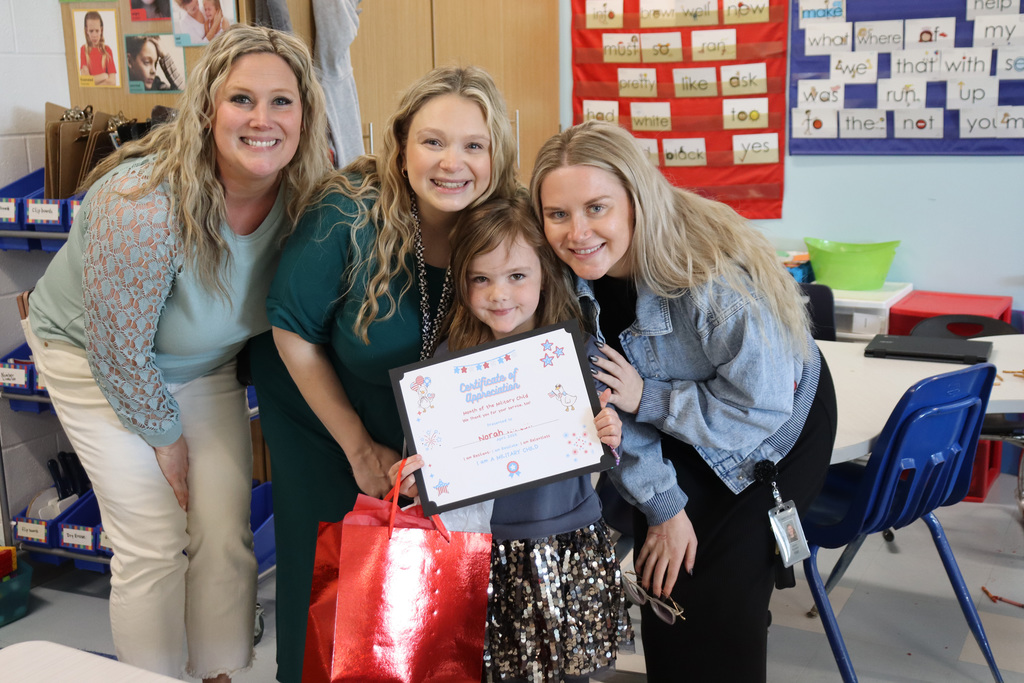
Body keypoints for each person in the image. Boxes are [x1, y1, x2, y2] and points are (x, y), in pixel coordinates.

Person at [21, 25, 332, 681]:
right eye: (241, 99)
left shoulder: (305, 198)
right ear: (208, 109)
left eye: (283, 102)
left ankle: (218, 673)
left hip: (202, 361)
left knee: (223, 530)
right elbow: (119, 350)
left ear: (306, 114)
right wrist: (166, 438)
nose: (262, 120)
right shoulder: (142, 202)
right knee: (156, 540)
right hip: (95, 359)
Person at [529, 120, 838, 683]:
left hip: (772, 426)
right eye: (558, 214)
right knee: (665, 578)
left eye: (597, 208)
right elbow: (611, 412)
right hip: (671, 411)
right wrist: (665, 508)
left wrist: (650, 397)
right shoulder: (560, 282)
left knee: (717, 593)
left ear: (636, 202)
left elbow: (756, 410)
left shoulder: (712, 283)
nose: (577, 232)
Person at [248, 65, 519, 682]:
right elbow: (293, 329)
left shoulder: (504, 221)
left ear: (496, 155)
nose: (453, 162)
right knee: (334, 575)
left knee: (422, 570)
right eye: (433, 141)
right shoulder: (347, 214)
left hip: (411, 412)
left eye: (473, 145)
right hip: (320, 404)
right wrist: (356, 447)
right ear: (401, 148)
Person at [389, 194, 633, 683]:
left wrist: (610, 434)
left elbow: (600, 452)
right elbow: (426, 466)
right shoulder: (444, 365)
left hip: (565, 543)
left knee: (567, 674)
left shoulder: (577, 355)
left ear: (545, 274)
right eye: (481, 279)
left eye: (517, 276)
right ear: (463, 283)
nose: (499, 294)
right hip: (480, 552)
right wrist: (414, 482)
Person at [79, 11, 115, 86]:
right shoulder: (83, 49)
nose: (94, 35)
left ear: (101, 30)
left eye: (97, 31)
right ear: (86, 31)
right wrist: (104, 76)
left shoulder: (107, 50)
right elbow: (85, 81)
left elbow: (112, 81)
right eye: (91, 31)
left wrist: (93, 83)